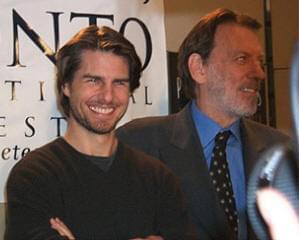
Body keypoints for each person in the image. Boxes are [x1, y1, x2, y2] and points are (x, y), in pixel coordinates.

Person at [117, 8, 291, 240]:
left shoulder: (281, 151)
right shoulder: (138, 143)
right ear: (199, 68)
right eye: (241, 59)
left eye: (260, 62)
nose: (259, 72)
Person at [4, 25, 188, 240]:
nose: (108, 96)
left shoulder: (159, 179)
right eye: (93, 80)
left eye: (119, 83)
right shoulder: (34, 177)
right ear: (66, 85)